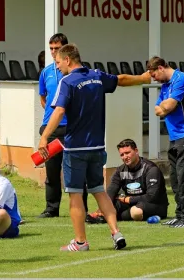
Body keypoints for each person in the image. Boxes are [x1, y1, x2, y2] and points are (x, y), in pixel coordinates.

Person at [37, 43, 151, 251]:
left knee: (75, 194)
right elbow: (121, 80)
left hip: (76, 149)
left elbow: (59, 111)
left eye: (58, 62)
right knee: (99, 191)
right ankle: (116, 233)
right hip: (98, 147)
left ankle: (80, 242)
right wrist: (143, 79)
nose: (58, 66)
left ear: (68, 60)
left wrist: (44, 137)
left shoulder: (67, 81)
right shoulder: (97, 76)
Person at [37, 33, 91, 222]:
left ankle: (82, 209)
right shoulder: (46, 72)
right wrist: (51, 120)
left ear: (66, 50)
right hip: (51, 129)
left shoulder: (78, 73)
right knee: (51, 171)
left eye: (56, 48)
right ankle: (51, 208)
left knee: (77, 170)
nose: (53, 52)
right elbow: (43, 98)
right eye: (50, 48)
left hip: (72, 127)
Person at [146, 56, 184, 228]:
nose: (153, 78)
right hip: (175, 136)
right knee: (175, 178)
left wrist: (165, 107)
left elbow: (168, 107)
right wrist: (164, 107)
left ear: (161, 68)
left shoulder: (182, 79)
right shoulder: (165, 86)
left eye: (154, 74)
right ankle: (180, 214)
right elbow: (157, 109)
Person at [106, 139, 169, 221]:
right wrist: (105, 207)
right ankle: (102, 216)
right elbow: (111, 190)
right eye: (122, 154)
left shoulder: (151, 169)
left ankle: (115, 216)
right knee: (109, 205)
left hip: (153, 204)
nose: (125, 157)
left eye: (127, 153)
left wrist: (128, 199)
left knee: (136, 212)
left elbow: (152, 196)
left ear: (136, 151)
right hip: (132, 203)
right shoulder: (120, 170)